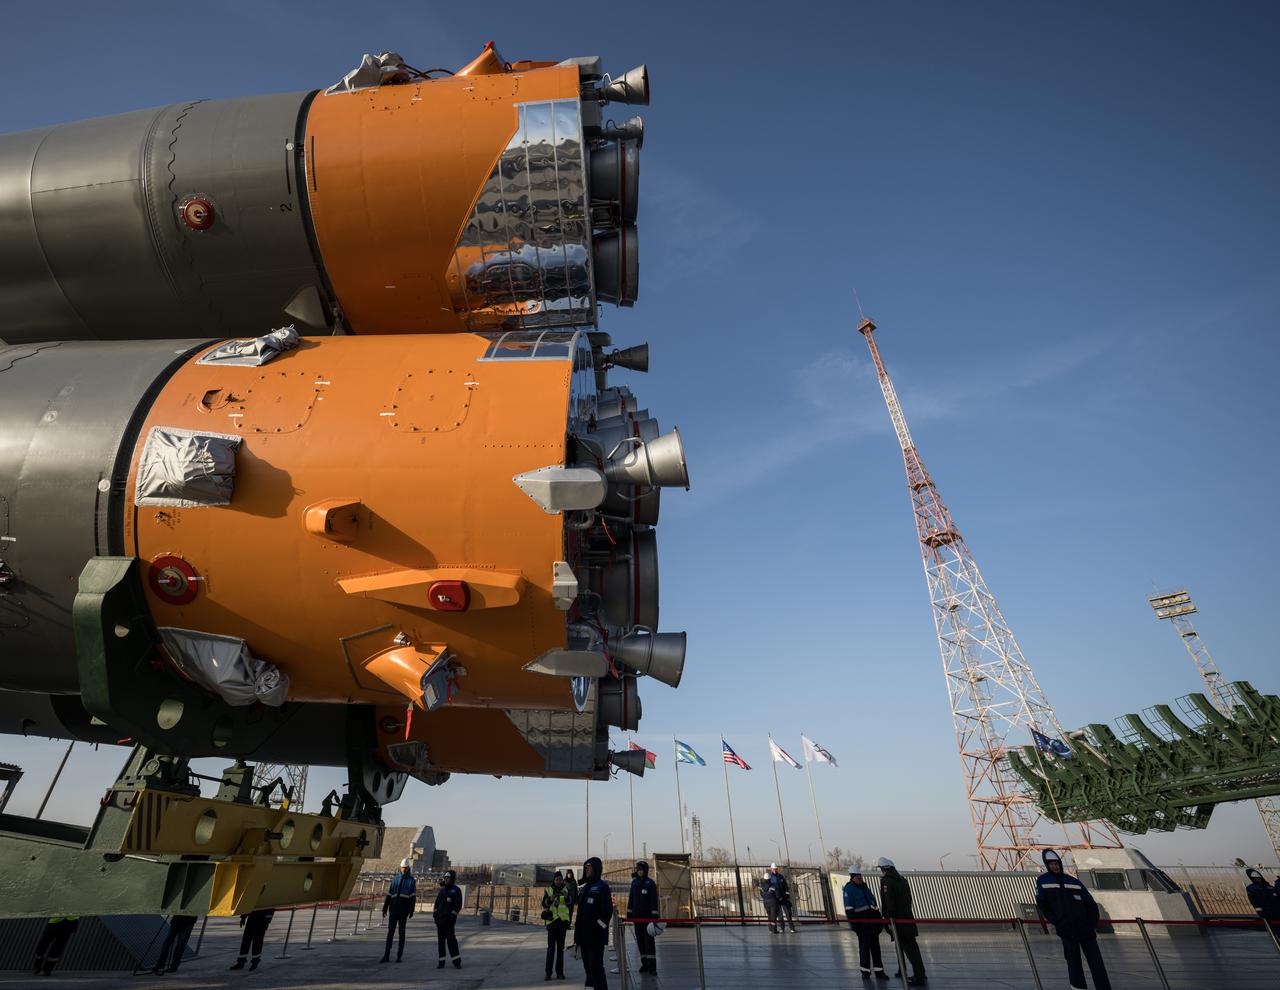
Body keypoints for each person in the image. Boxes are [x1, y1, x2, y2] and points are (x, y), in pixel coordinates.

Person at [1035, 849, 1111, 990]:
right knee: (1074, 963)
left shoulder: (1073, 881)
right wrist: (1057, 922)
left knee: (1097, 963)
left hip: (1086, 929)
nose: (1055, 866)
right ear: (1047, 865)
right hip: (1067, 930)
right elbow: (1043, 904)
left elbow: (1090, 903)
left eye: (1056, 863)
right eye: (1051, 864)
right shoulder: (1043, 881)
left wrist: (1092, 923)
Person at [878, 858, 926, 986]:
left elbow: (889, 903)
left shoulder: (887, 881)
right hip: (908, 919)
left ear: (884, 869)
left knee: (908, 949)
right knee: (913, 948)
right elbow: (909, 900)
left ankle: (919, 977)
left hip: (898, 922)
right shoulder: (902, 880)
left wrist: (888, 919)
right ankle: (920, 973)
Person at [574, 856, 613, 989]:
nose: (586, 870)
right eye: (585, 868)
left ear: (596, 869)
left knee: (596, 968)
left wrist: (598, 929)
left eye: (589, 868)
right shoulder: (585, 888)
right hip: (583, 937)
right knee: (588, 970)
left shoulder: (602, 887)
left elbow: (607, 913)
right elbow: (580, 913)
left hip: (595, 938)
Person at [843, 869, 888, 980]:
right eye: (857, 876)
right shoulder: (849, 889)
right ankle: (865, 972)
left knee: (876, 949)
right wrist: (855, 925)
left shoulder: (865, 888)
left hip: (872, 924)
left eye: (860, 876)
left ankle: (879, 971)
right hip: (862, 925)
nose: (859, 878)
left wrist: (879, 922)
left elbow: (874, 905)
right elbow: (849, 908)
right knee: (864, 949)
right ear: (852, 877)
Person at [380, 858, 417, 963]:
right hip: (393, 910)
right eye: (402, 868)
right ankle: (386, 955)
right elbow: (389, 894)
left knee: (402, 933)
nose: (404, 869)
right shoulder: (395, 879)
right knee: (390, 933)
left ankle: (399, 956)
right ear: (400, 867)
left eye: (405, 868)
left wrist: (411, 910)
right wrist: (385, 908)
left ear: (408, 868)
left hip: (403, 911)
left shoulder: (411, 881)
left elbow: (412, 897)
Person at [628, 860, 661, 974]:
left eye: (642, 869)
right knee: (640, 941)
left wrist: (654, 916)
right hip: (637, 918)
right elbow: (631, 898)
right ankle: (644, 964)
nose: (640, 872)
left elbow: (653, 901)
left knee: (649, 942)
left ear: (645, 870)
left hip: (647, 919)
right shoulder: (634, 883)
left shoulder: (650, 883)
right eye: (638, 870)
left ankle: (652, 967)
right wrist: (629, 912)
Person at [542, 870, 573, 981]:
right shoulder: (549, 889)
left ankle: (559, 973)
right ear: (554, 880)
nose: (559, 881)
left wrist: (566, 897)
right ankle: (548, 973)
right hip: (552, 923)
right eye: (557, 879)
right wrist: (549, 899)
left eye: (560, 879)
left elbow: (570, 902)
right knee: (551, 949)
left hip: (562, 924)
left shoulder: (565, 889)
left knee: (560, 950)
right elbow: (544, 903)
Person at [433, 869, 463, 969]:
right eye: (445, 878)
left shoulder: (456, 890)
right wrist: (435, 915)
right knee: (441, 942)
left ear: (452, 879)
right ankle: (441, 962)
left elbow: (458, 905)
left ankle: (456, 962)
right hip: (440, 920)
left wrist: (452, 917)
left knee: (451, 941)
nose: (446, 880)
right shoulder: (442, 891)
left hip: (449, 921)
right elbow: (437, 904)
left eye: (448, 878)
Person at [1244, 868, 1280, 941]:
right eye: (1256, 878)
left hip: (1277, 912)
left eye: (1259, 877)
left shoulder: (1269, 887)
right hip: (1267, 913)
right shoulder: (1251, 888)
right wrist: (1260, 912)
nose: (1258, 879)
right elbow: (1254, 901)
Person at [768, 864, 798, 933]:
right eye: (773, 869)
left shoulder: (781, 876)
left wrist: (787, 893)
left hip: (784, 897)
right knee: (779, 914)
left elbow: (785, 886)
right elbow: (769, 888)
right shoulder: (770, 878)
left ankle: (792, 928)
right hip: (776, 898)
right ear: (771, 869)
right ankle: (782, 928)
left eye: (776, 869)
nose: (775, 870)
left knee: (788, 913)